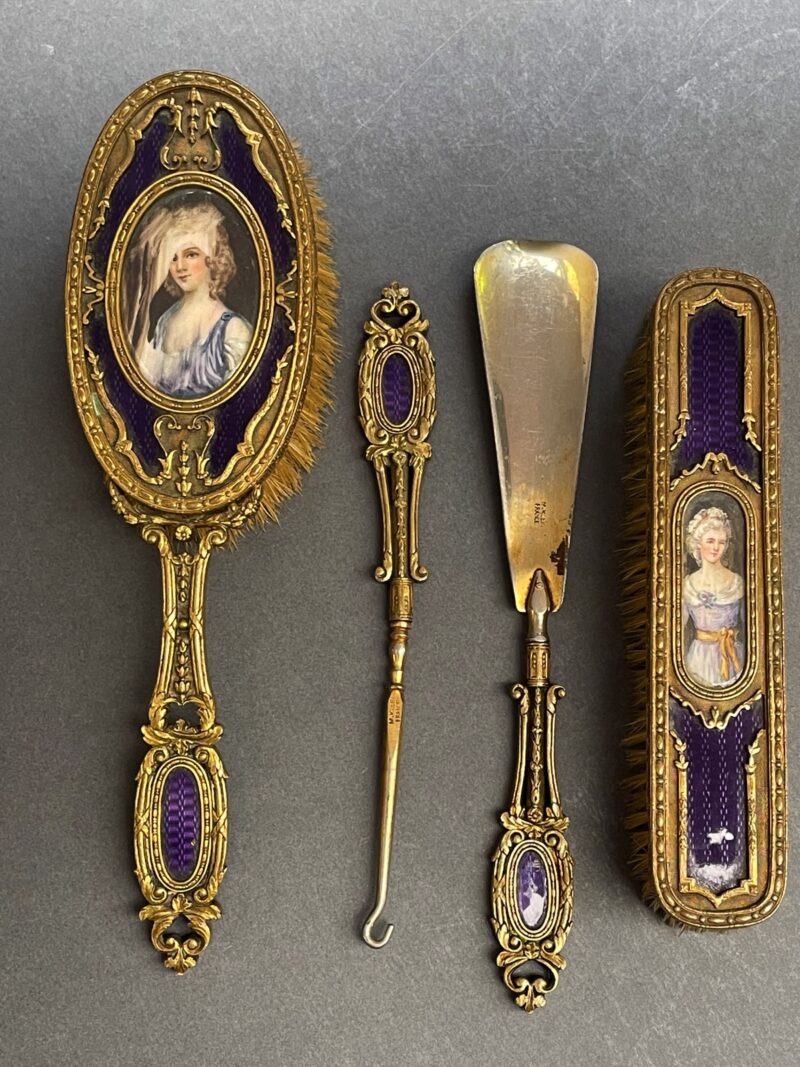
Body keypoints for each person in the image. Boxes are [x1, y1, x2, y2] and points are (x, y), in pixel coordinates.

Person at [125, 200, 253, 399]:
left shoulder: (233, 329)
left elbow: (241, 399)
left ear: (213, 258)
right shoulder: (165, 321)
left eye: (191, 254)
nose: (180, 267)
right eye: (173, 258)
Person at [682, 506, 745, 688]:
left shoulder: (736, 582)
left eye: (722, 542)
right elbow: (677, 629)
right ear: (698, 543)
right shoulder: (688, 585)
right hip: (700, 658)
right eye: (710, 541)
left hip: (732, 654)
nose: (716, 548)